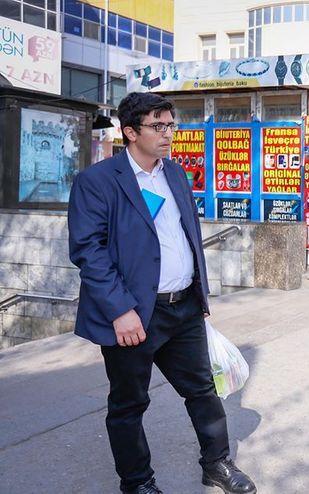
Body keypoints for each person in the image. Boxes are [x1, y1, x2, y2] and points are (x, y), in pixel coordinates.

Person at [68, 92, 256, 494]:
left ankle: (217, 464)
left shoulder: (174, 174)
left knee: (203, 389)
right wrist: (120, 310)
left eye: (171, 124)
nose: (169, 133)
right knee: (129, 405)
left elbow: (186, 237)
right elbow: (89, 251)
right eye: (158, 126)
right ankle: (138, 483)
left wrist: (199, 297)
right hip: (134, 316)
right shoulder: (97, 181)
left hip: (183, 308)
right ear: (130, 132)